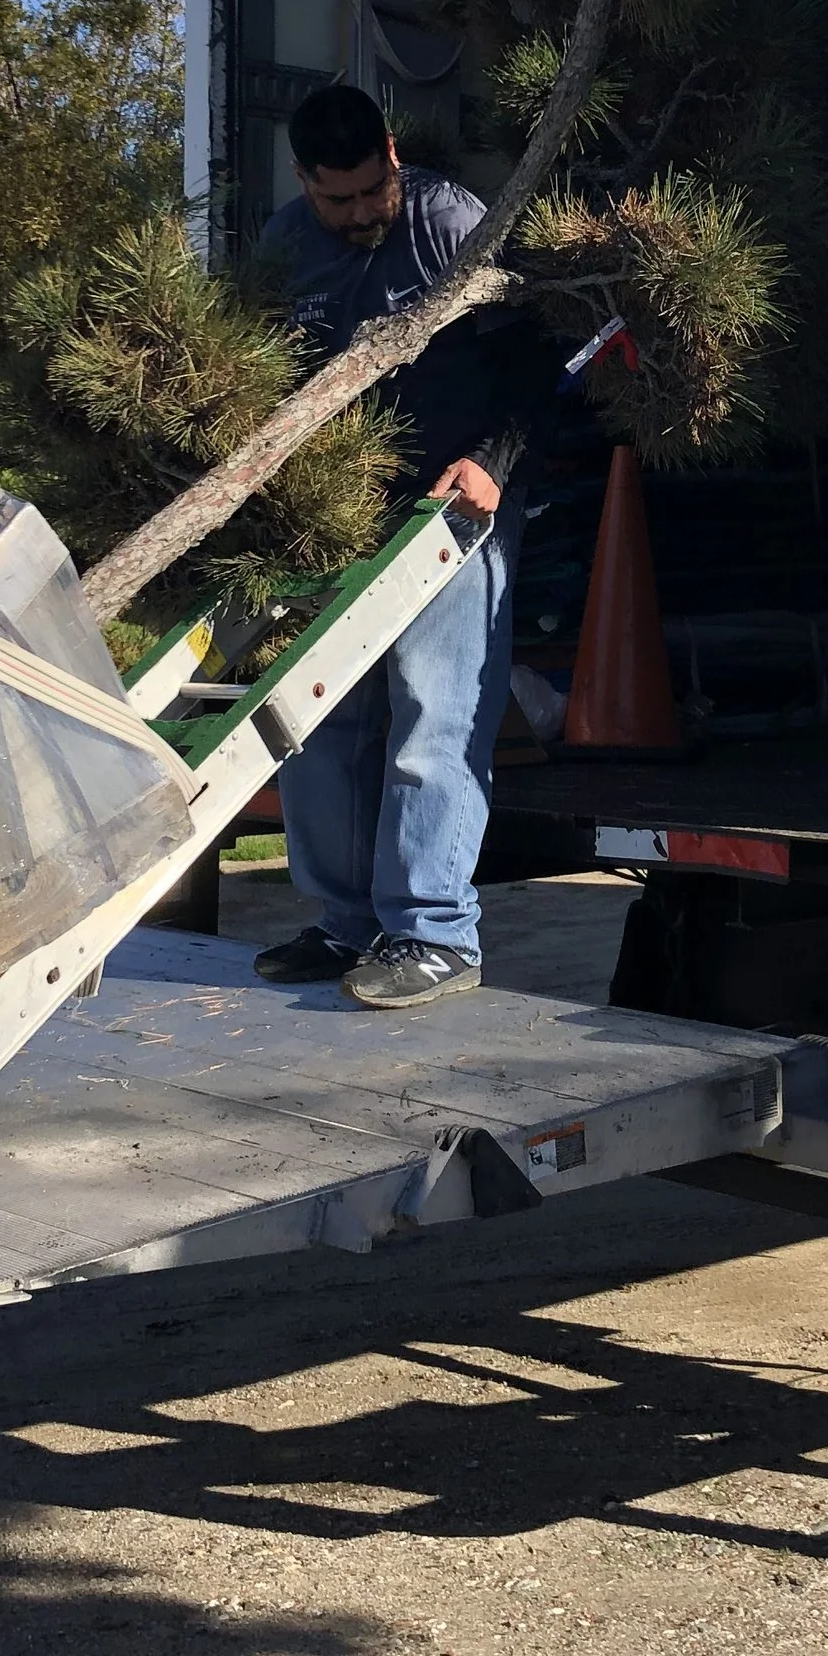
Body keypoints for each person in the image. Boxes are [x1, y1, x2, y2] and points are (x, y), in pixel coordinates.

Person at [253, 84, 548, 1010]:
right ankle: (344, 924)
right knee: (318, 725)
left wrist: (493, 461)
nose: (355, 215)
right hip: (337, 515)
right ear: (302, 179)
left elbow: (532, 361)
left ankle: (433, 930)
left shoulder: (447, 220)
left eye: (371, 191)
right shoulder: (283, 245)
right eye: (333, 200)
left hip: (452, 510)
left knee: (435, 714)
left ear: (391, 153)